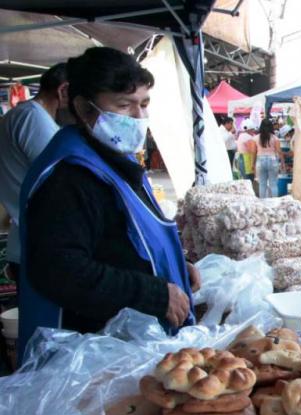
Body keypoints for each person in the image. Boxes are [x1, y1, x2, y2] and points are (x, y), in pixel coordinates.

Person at [17, 47, 199, 360]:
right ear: (84, 109)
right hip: (89, 355)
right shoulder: (68, 177)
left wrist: (173, 265)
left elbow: (124, 237)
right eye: (124, 105)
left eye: (144, 104)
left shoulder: (113, 159)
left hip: (129, 344)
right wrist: (153, 293)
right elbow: (61, 271)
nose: (139, 117)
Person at [0, 63, 69, 278]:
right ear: (64, 91)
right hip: (39, 244)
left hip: (31, 241)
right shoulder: (32, 118)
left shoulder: (26, 115)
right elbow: (64, 178)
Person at [255, 119, 284, 198]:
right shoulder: (275, 138)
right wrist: (282, 163)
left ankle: (263, 204)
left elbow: (254, 152)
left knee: (262, 184)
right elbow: (279, 151)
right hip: (272, 160)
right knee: (273, 184)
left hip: (260, 160)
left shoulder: (256, 138)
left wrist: (252, 164)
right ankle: (275, 203)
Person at [236, 119, 258, 187]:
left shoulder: (242, 135)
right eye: (252, 129)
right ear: (249, 129)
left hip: (242, 158)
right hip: (246, 160)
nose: (253, 131)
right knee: (248, 179)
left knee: (245, 179)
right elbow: (252, 150)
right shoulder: (247, 137)